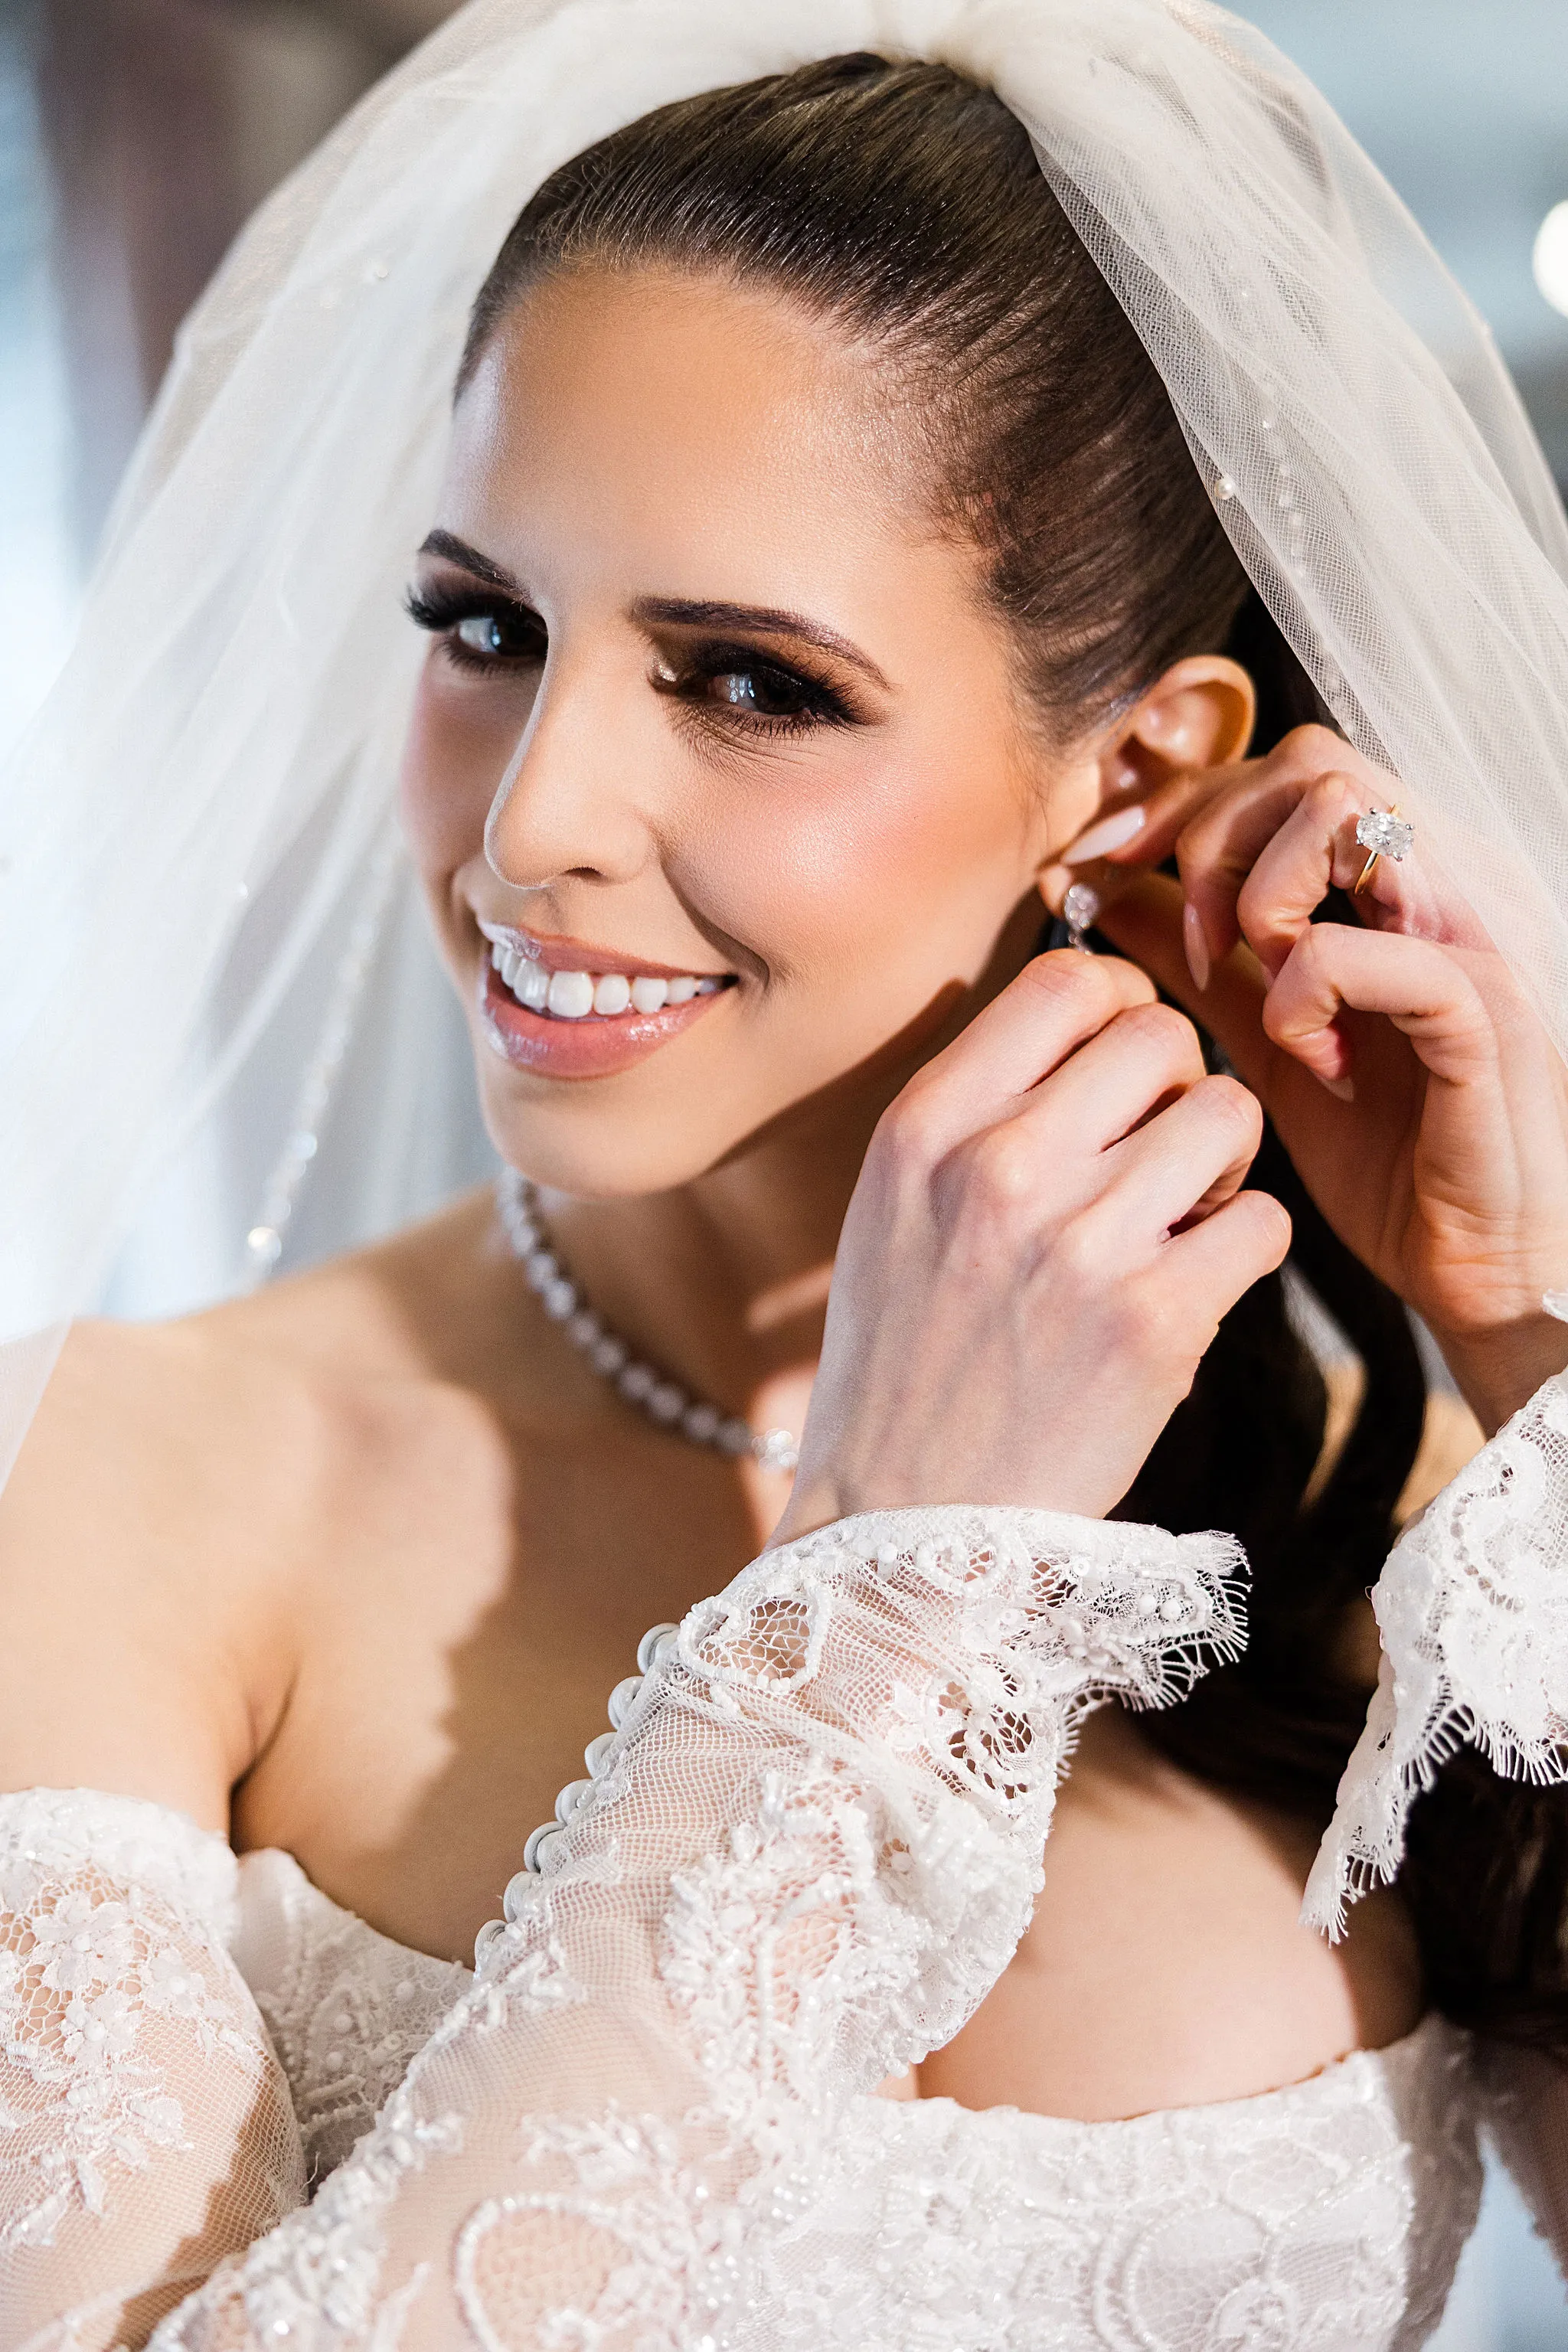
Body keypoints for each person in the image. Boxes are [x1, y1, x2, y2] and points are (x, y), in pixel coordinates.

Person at [2, 5, 1566, 2345]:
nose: (532, 825)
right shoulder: (111, 1483)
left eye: (746, 682)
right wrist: (861, 1633)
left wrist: (1525, 1328)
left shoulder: (1417, 1514)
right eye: (482, 628)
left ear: (1135, 775)